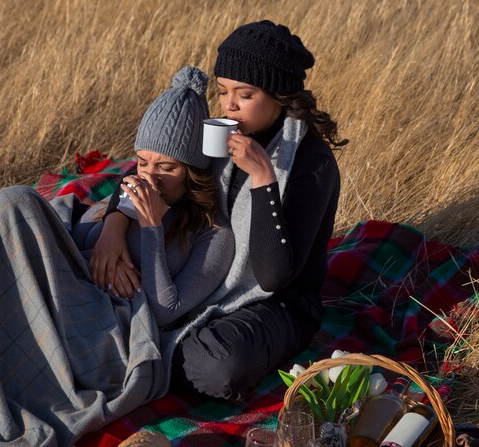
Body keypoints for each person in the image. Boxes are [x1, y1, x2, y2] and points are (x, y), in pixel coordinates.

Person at [0, 66, 234, 446]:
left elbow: (165, 311)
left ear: (193, 170)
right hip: (71, 283)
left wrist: (152, 228)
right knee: (13, 205)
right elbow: (87, 234)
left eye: (167, 167)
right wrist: (113, 227)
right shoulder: (131, 191)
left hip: (106, 329)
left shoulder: (214, 233)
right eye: (143, 162)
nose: (149, 177)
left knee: (16, 206)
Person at [91, 20, 347, 400]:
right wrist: (112, 228)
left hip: (278, 305)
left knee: (218, 368)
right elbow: (149, 167)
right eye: (223, 90)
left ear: (278, 95)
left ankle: (137, 349)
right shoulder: (221, 134)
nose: (228, 104)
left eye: (244, 94)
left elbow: (274, 276)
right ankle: (140, 345)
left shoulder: (311, 164)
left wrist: (263, 177)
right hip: (203, 272)